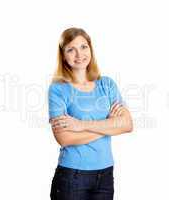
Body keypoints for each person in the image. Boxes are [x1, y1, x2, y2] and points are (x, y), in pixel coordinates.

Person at [48, 27, 133, 200]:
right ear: (63, 55)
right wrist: (108, 125)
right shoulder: (58, 89)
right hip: (73, 176)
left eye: (83, 47)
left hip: (105, 174)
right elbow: (64, 138)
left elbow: (127, 125)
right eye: (71, 49)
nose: (79, 54)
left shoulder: (107, 84)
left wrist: (80, 125)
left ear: (91, 49)